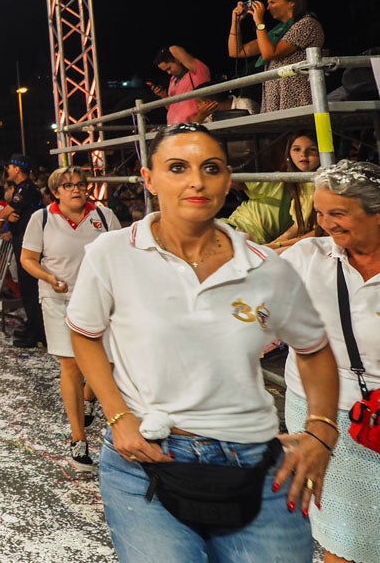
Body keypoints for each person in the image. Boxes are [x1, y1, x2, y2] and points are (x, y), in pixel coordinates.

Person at [67, 122, 338, 562]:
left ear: (227, 180)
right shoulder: (113, 253)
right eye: (177, 167)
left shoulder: (267, 267)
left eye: (210, 168)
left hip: (256, 465)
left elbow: (314, 348)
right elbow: (84, 333)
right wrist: (117, 416)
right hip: (147, 464)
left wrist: (323, 428)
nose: (196, 181)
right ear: (149, 179)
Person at [281, 160, 380, 563]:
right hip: (325, 417)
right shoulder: (306, 257)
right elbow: (253, 314)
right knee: (346, 536)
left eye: (338, 213)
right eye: (320, 212)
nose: (326, 224)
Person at [19, 166, 120, 472]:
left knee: (110, 359)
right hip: (59, 300)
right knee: (72, 365)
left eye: (80, 184)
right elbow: (27, 259)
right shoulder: (42, 219)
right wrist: (49, 278)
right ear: (56, 192)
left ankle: (89, 396)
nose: (76, 189)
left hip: (101, 299)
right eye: (68, 186)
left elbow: (120, 254)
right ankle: (79, 440)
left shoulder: (104, 217)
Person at [228, 0, 326, 112]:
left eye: (272, 2)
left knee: (300, 131)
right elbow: (236, 51)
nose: (268, 8)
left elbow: (269, 53)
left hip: (297, 97)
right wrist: (235, 21)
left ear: (292, 2)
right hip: (275, 97)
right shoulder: (278, 31)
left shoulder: (307, 24)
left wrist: (258, 21)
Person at [226, 131, 321, 247]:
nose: (303, 154)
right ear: (288, 154)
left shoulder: (321, 184)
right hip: (236, 227)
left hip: (254, 237)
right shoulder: (281, 180)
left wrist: (278, 245)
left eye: (312, 149)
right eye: (296, 149)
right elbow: (238, 183)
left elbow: (319, 230)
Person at [0, 153, 45, 348]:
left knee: (30, 288)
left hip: (30, 243)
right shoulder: (23, 188)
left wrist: (6, 216)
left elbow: (3, 212)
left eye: (9, 167)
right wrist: (8, 218)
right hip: (24, 240)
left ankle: (37, 333)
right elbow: (7, 215)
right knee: (26, 289)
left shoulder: (26, 189)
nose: (7, 170)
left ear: (17, 169)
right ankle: (32, 326)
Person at [149, 44, 214, 124]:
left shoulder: (197, 71)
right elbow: (171, 108)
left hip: (195, 126)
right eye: (166, 71)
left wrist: (166, 51)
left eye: (169, 68)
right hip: (175, 129)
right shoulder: (173, 80)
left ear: (177, 60)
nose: (169, 72)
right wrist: (163, 95)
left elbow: (174, 49)